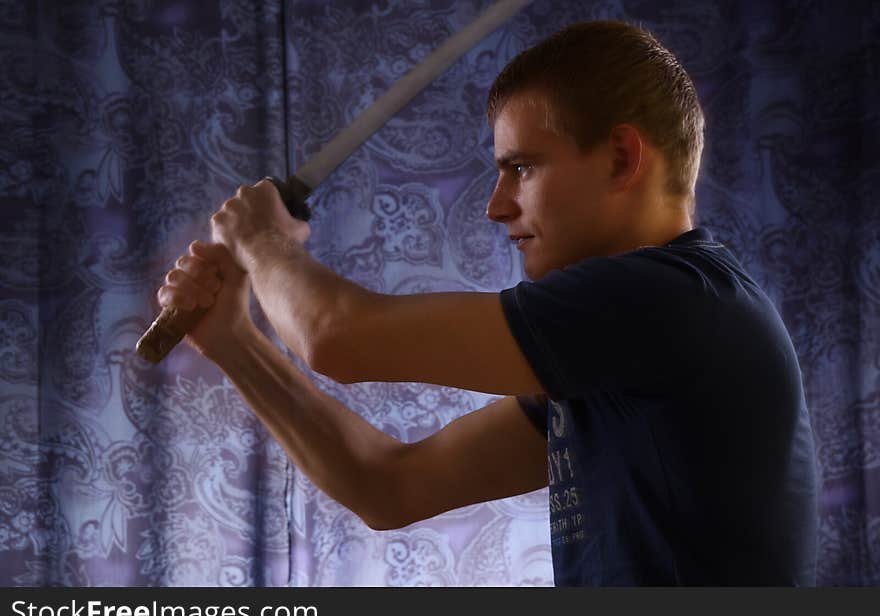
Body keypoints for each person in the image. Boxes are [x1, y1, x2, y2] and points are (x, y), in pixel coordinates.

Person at [157, 21, 818, 585]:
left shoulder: (671, 299)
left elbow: (337, 337)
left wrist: (262, 239)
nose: (496, 205)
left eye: (523, 168)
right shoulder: (618, 351)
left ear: (621, 159)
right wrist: (232, 339)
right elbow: (389, 485)